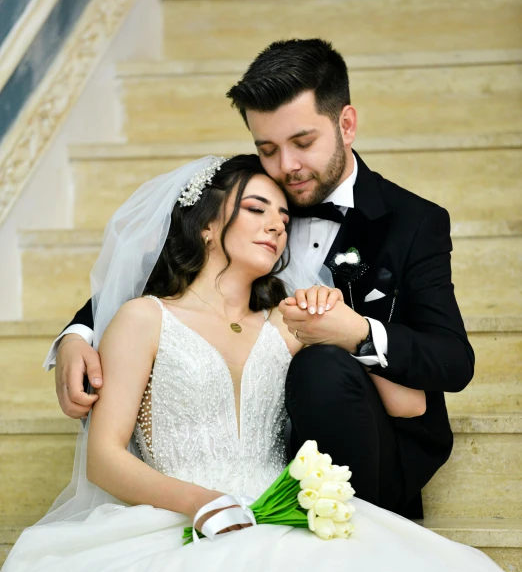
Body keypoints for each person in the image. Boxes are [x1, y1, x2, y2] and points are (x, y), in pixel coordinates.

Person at [1, 155, 520, 572]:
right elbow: (104, 458)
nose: (277, 223)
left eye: (282, 215)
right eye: (255, 209)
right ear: (205, 224)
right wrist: (204, 504)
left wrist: (343, 325)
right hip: (177, 514)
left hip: (280, 513)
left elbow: (410, 401)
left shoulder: (285, 321)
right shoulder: (144, 318)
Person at [46, 39, 474, 519]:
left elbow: (452, 362)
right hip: (253, 480)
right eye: (266, 148)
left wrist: (355, 333)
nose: (286, 167)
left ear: (346, 124)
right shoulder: (253, 196)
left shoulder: (413, 222)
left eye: (303, 143)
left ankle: (351, 534)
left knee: (323, 368)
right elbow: (157, 271)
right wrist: (77, 333)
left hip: (372, 446)